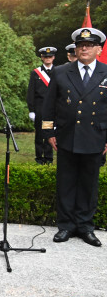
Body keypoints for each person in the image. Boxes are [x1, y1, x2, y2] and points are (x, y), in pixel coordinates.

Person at [42, 27, 107, 247]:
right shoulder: (61, 72)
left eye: (89, 45)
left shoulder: (106, 72)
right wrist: (49, 132)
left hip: (95, 137)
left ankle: (85, 227)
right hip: (66, 136)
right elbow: (48, 105)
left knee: (89, 185)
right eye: (80, 45)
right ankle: (66, 226)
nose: (84, 48)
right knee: (66, 182)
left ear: (99, 49)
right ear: (76, 49)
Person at [27, 47, 56, 164]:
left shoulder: (58, 72)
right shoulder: (35, 73)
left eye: (50, 57)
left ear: (53, 57)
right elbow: (31, 92)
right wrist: (31, 110)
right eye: (45, 57)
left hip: (51, 108)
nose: (48, 59)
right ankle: (39, 157)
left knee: (49, 131)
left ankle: (48, 157)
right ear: (42, 58)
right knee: (39, 133)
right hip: (39, 108)